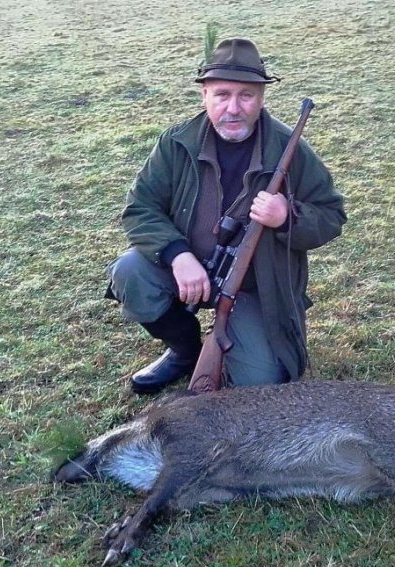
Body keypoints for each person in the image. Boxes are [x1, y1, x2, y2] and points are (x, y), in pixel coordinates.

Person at [106, 38, 346, 394]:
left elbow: (331, 214)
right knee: (130, 272)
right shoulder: (176, 142)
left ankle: (232, 339)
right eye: (222, 95)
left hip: (256, 287)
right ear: (204, 95)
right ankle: (185, 350)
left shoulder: (289, 149)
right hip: (189, 272)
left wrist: (288, 217)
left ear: (261, 98)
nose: (233, 108)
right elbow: (140, 207)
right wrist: (177, 255)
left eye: (246, 96)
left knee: (259, 384)